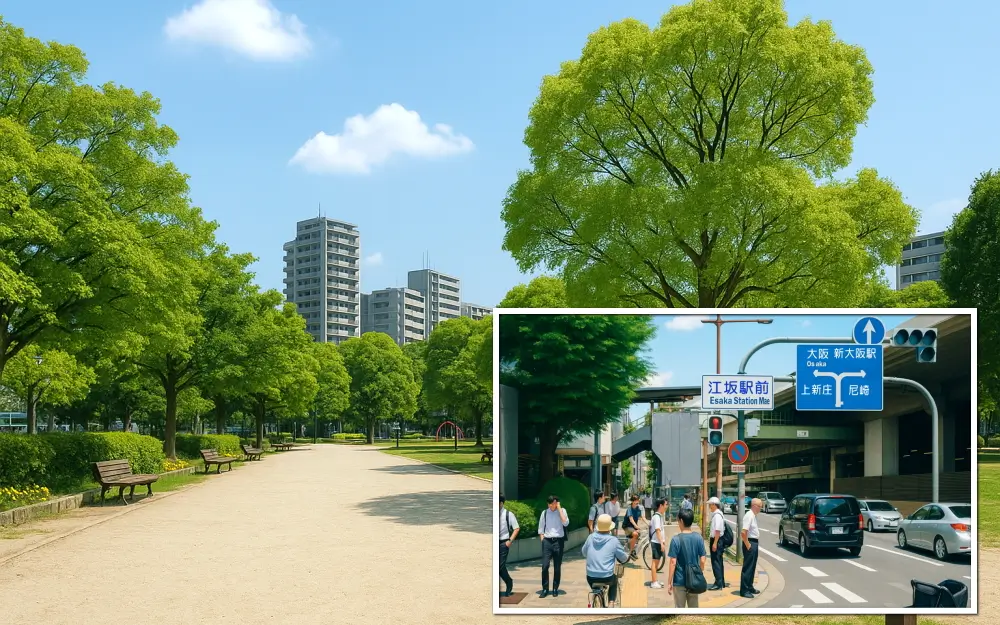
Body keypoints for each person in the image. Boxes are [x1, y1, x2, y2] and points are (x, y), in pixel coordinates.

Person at [582, 514, 630, 606]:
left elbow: (584, 553)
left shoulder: (590, 537)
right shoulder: (613, 540)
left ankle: (596, 598)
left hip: (591, 577)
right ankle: (611, 603)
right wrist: (627, 556)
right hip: (607, 576)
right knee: (614, 580)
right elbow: (623, 558)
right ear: (610, 528)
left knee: (595, 586)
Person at [667, 507, 707, 607]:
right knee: (693, 610)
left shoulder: (675, 539)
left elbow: (673, 562)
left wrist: (669, 582)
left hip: (679, 580)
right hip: (694, 580)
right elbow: (702, 560)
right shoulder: (698, 537)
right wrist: (699, 573)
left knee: (679, 609)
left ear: (681, 521)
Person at [538, 495, 570, 598]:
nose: (552, 506)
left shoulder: (562, 511)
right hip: (547, 541)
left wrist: (559, 508)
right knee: (545, 566)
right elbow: (541, 529)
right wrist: (543, 540)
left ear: (557, 503)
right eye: (550, 504)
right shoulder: (544, 513)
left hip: (558, 541)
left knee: (557, 566)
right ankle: (545, 589)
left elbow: (565, 523)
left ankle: (555, 588)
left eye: (554, 503)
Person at [740, 497, 763, 599]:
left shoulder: (753, 515)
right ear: (754, 506)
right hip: (750, 542)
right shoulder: (749, 515)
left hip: (754, 542)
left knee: (752, 566)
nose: (760, 508)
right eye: (760, 506)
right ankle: (744, 590)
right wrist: (747, 544)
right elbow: (743, 532)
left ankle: (749, 586)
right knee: (748, 567)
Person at [498, 494, 520, 597]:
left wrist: (509, 541)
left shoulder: (508, 514)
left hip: (504, 543)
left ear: (501, 503)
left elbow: (516, 528)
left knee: (500, 566)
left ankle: (508, 582)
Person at [707, 496, 727, 590]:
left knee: (716, 562)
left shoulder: (717, 516)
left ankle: (718, 583)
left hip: (717, 540)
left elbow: (717, 531)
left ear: (714, 505)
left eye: (710, 505)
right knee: (718, 561)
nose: (709, 507)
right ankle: (721, 582)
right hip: (718, 540)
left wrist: (715, 543)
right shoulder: (717, 514)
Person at [649, 498, 668, 589]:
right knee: (655, 562)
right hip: (656, 542)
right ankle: (653, 582)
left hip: (658, 542)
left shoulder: (659, 516)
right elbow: (657, 530)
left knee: (656, 563)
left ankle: (655, 580)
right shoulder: (656, 517)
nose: (667, 507)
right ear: (661, 505)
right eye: (666, 505)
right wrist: (661, 543)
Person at [623, 495, 643, 559]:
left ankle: (632, 547)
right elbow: (631, 519)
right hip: (627, 526)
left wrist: (649, 524)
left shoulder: (638, 508)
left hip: (633, 527)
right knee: (635, 534)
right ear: (633, 501)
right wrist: (636, 526)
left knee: (639, 534)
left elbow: (642, 517)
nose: (637, 501)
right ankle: (631, 552)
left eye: (638, 500)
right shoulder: (630, 509)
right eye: (636, 500)